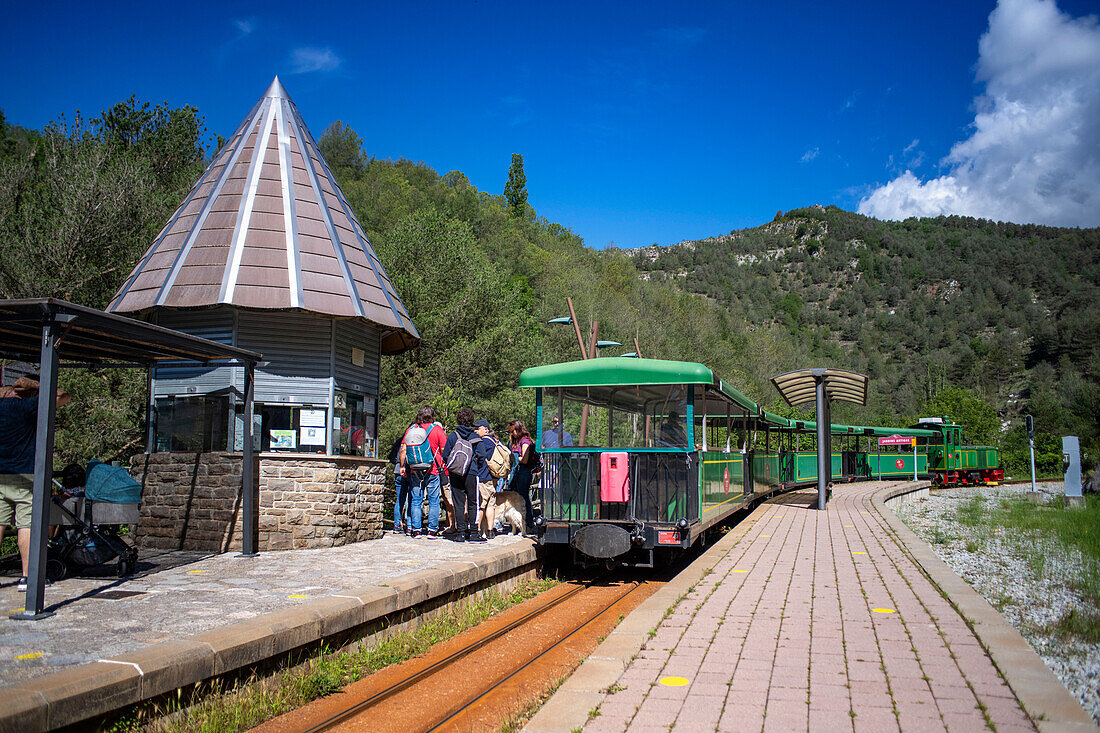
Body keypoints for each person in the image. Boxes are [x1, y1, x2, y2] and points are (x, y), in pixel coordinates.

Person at [0, 375, 71, 592]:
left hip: (0, 474)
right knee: (26, 525)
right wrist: (40, 386)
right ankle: (27, 577)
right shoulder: (27, 407)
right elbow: (63, 396)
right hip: (26, 474)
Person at [442, 407, 478, 542]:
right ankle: (474, 533)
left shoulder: (453, 436)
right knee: (473, 502)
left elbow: (445, 455)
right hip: (471, 472)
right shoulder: (475, 436)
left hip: (456, 473)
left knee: (458, 503)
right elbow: (482, 455)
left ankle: (461, 533)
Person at [507, 419, 537, 533]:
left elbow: (524, 459)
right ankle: (517, 524)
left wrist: (513, 457)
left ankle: (528, 523)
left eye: (514, 431)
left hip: (523, 472)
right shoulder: (516, 441)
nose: (512, 433)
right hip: (516, 472)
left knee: (523, 498)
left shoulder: (525, 441)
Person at [470, 419, 496, 540]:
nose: (475, 430)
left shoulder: (483, 442)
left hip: (483, 477)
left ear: (485, 429)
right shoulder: (494, 441)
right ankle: (490, 531)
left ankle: (478, 530)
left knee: (481, 505)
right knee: (491, 504)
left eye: (477, 428)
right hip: (492, 477)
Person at [387, 428, 411, 535]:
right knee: (412, 500)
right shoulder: (412, 442)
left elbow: (391, 457)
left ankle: (397, 524)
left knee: (399, 499)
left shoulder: (399, 442)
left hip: (398, 471)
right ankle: (410, 526)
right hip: (410, 471)